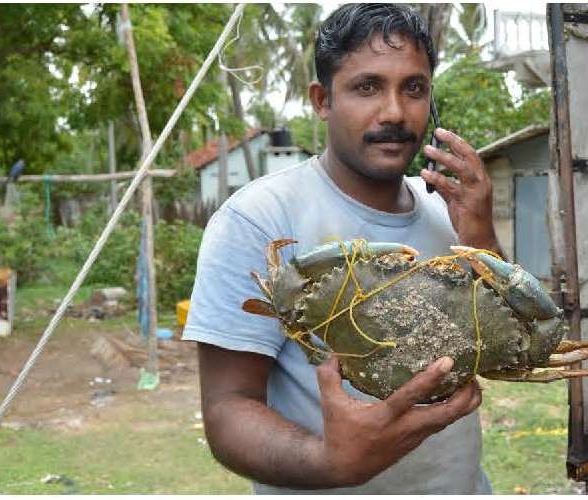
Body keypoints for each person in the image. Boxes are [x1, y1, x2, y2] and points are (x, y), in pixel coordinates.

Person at [183, 3, 502, 494]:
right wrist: (329, 463)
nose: (394, 112)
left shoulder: (448, 212)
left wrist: (481, 239)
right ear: (322, 100)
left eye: (413, 88)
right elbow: (228, 407)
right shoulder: (261, 219)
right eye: (367, 87)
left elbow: (499, 352)